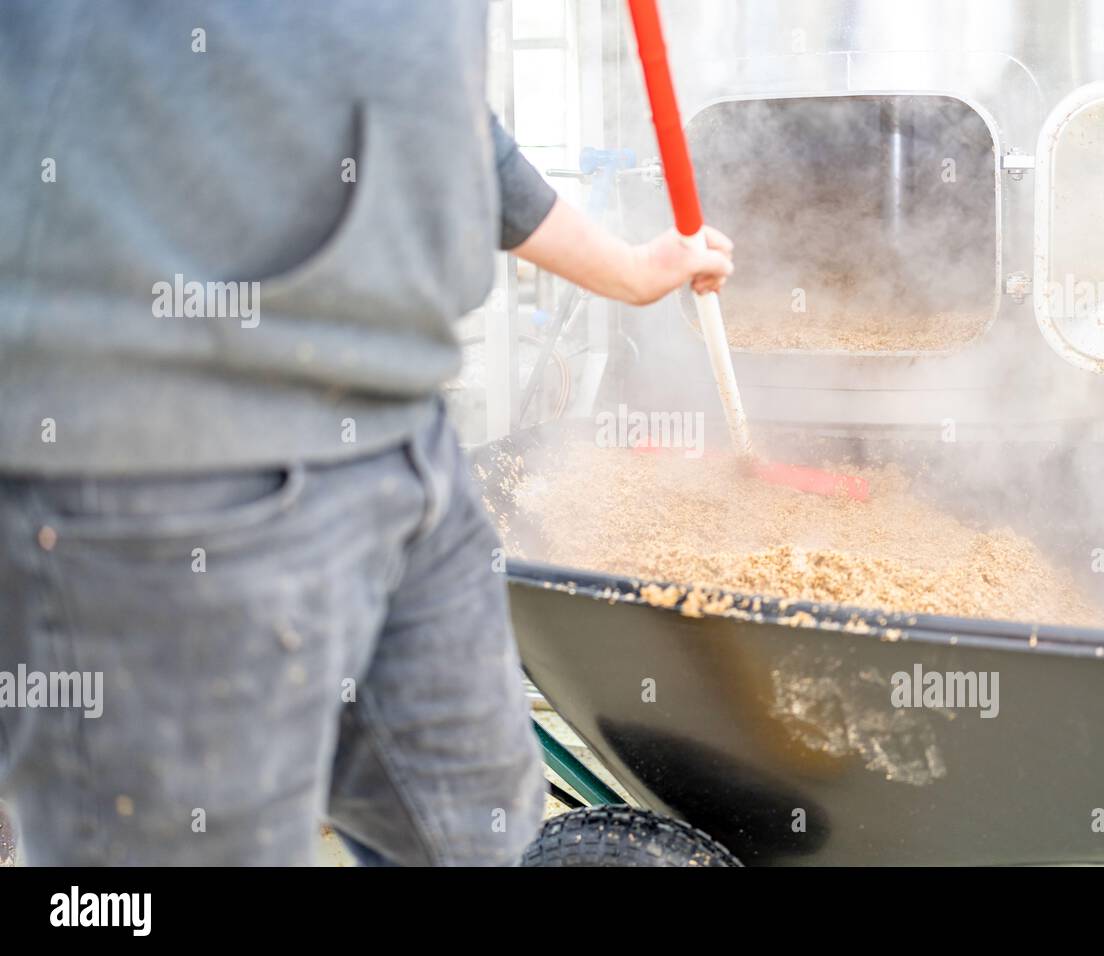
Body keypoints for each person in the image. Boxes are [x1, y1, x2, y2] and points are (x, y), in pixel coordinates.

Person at [0, 0, 732, 865]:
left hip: (404, 437)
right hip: (162, 451)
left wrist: (627, 269)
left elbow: (443, 112)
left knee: (472, 838)